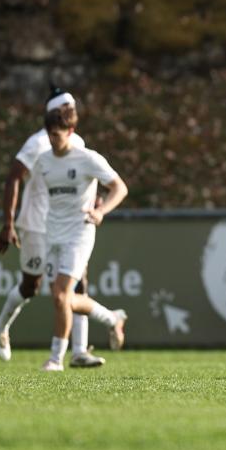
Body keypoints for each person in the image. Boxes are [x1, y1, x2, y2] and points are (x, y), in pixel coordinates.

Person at [0, 86, 105, 368]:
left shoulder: (76, 142)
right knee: (32, 286)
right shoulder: (38, 143)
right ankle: (0, 327)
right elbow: (13, 178)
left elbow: (86, 176)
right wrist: (8, 222)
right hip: (36, 223)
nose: (68, 114)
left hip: (70, 224)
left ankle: (78, 351)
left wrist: (95, 205)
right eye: (63, 109)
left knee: (77, 281)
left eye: (71, 110)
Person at [35, 108, 129, 371]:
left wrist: (100, 211)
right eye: (50, 135)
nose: (54, 140)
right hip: (52, 234)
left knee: (63, 296)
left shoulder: (87, 159)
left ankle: (56, 359)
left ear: (71, 132)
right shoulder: (43, 161)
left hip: (79, 233)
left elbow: (120, 187)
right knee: (60, 299)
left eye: (58, 135)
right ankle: (112, 318)